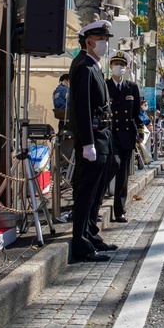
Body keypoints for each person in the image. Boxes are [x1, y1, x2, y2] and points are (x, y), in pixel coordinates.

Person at [68, 20, 117, 262]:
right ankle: (81, 242)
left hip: (103, 135)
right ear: (89, 41)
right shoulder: (83, 67)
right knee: (86, 192)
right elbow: (82, 109)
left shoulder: (94, 66)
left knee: (97, 190)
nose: (105, 44)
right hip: (93, 136)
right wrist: (87, 142)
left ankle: (90, 233)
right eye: (102, 40)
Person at [106, 52, 143, 223]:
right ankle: (95, 205)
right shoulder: (105, 86)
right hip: (109, 135)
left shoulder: (132, 87)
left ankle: (119, 211)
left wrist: (140, 132)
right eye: (115, 64)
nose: (119, 67)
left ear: (127, 68)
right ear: (110, 66)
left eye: (122, 64)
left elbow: (136, 113)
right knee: (110, 168)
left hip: (127, 135)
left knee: (123, 175)